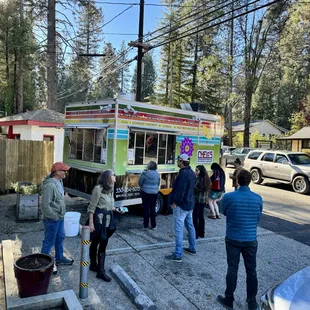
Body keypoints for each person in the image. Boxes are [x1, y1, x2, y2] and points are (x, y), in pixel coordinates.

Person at [217, 169, 263, 310]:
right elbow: (258, 217)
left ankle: (229, 299)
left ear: (237, 180)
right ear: (249, 181)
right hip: (250, 239)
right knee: (251, 271)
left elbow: (223, 211)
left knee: (232, 269)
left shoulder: (229, 197)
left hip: (233, 238)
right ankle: (252, 302)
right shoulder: (257, 198)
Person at [88, 170, 124, 282]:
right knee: (95, 243)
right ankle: (95, 267)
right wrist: (91, 223)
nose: (115, 177)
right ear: (108, 177)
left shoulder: (110, 189)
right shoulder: (98, 189)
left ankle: (100, 269)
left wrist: (117, 210)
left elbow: (110, 206)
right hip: (99, 222)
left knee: (103, 244)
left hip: (108, 222)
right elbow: (92, 207)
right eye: (114, 175)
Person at [41, 162, 74, 275]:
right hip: (52, 219)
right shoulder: (49, 185)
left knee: (60, 237)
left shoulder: (59, 181)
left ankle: (59, 258)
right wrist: (54, 216)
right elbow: (45, 205)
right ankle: (43, 264)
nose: (65, 172)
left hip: (59, 217)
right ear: (57, 172)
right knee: (49, 241)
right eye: (63, 171)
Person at [165, 154, 197, 262]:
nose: (177, 163)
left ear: (181, 161)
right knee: (190, 226)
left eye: (178, 161)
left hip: (181, 205)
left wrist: (175, 202)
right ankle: (192, 248)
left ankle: (178, 254)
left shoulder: (183, 174)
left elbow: (180, 191)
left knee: (179, 229)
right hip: (189, 204)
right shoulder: (192, 173)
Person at [138, 161, 160, 229]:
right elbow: (158, 183)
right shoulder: (157, 174)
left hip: (145, 192)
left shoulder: (144, 174)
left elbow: (140, 183)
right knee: (152, 209)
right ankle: (153, 225)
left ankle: (145, 225)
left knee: (146, 209)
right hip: (154, 193)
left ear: (149, 166)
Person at [193, 165, 211, 239]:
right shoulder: (207, 179)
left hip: (197, 200)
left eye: (197, 170)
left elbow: (194, 189)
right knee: (201, 216)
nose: (195, 172)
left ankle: (195, 233)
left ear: (201, 171)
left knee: (195, 217)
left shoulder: (198, 180)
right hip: (203, 200)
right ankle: (201, 232)